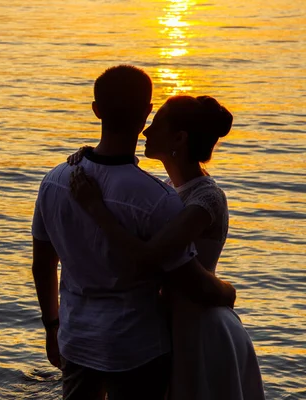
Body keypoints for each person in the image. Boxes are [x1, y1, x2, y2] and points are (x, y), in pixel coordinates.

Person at [31, 65, 236, 400]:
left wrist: (52, 326)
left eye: (157, 125)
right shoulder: (160, 197)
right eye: (150, 120)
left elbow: (43, 264)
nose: (146, 133)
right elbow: (167, 269)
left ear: (97, 110)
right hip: (139, 342)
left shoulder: (56, 181)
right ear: (145, 112)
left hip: (98, 335)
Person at [67, 95, 266, 399]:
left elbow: (149, 258)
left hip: (201, 328)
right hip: (168, 326)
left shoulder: (205, 200)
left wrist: (94, 208)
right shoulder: (167, 189)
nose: (145, 132)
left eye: (156, 125)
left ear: (179, 138)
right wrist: (89, 158)